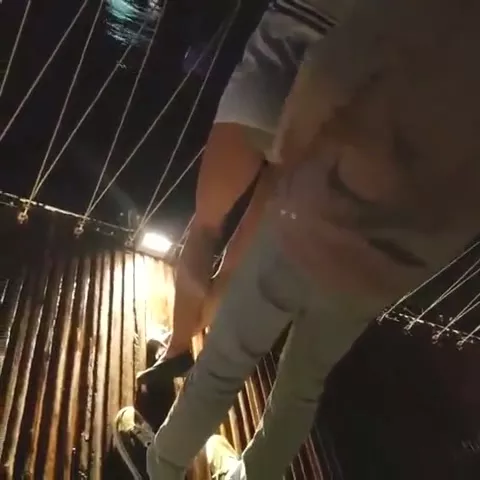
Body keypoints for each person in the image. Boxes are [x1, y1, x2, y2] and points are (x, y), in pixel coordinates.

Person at [114, 0, 480, 478]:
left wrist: (291, 163)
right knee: (302, 387)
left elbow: (327, 74)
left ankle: (162, 458)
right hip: (387, 267)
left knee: (224, 351)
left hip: (317, 213)